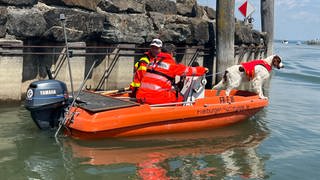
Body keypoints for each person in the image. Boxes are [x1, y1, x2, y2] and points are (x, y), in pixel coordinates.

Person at [136, 44, 208, 104]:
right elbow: (190, 70)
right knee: (180, 97)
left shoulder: (152, 62)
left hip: (140, 96)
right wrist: (203, 69)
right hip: (154, 98)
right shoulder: (171, 64)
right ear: (171, 53)